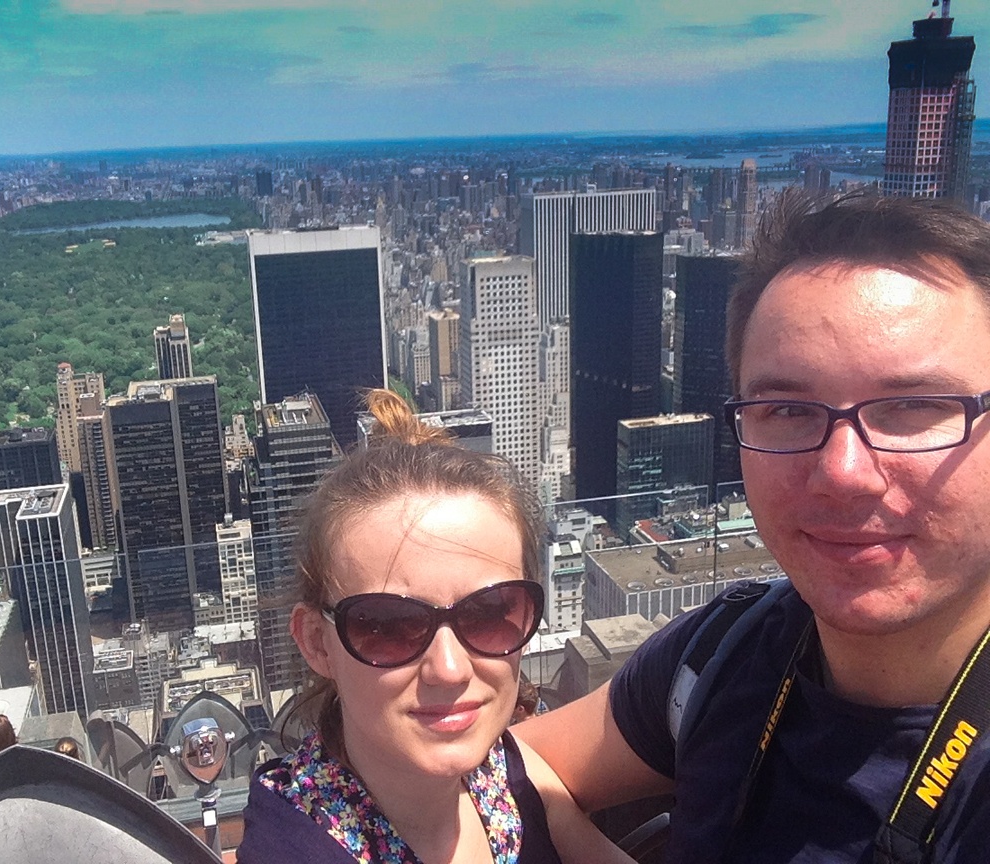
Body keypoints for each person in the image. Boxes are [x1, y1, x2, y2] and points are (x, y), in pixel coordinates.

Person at [516, 191, 990, 863]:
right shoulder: (721, 655)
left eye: (913, 407)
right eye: (787, 412)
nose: (843, 472)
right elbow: (516, 768)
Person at [238, 390, 632, 863]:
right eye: (387, 626)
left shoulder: (502, 772)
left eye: (490, 613)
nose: (449, 669)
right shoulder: (292, 849)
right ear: (317, 642)